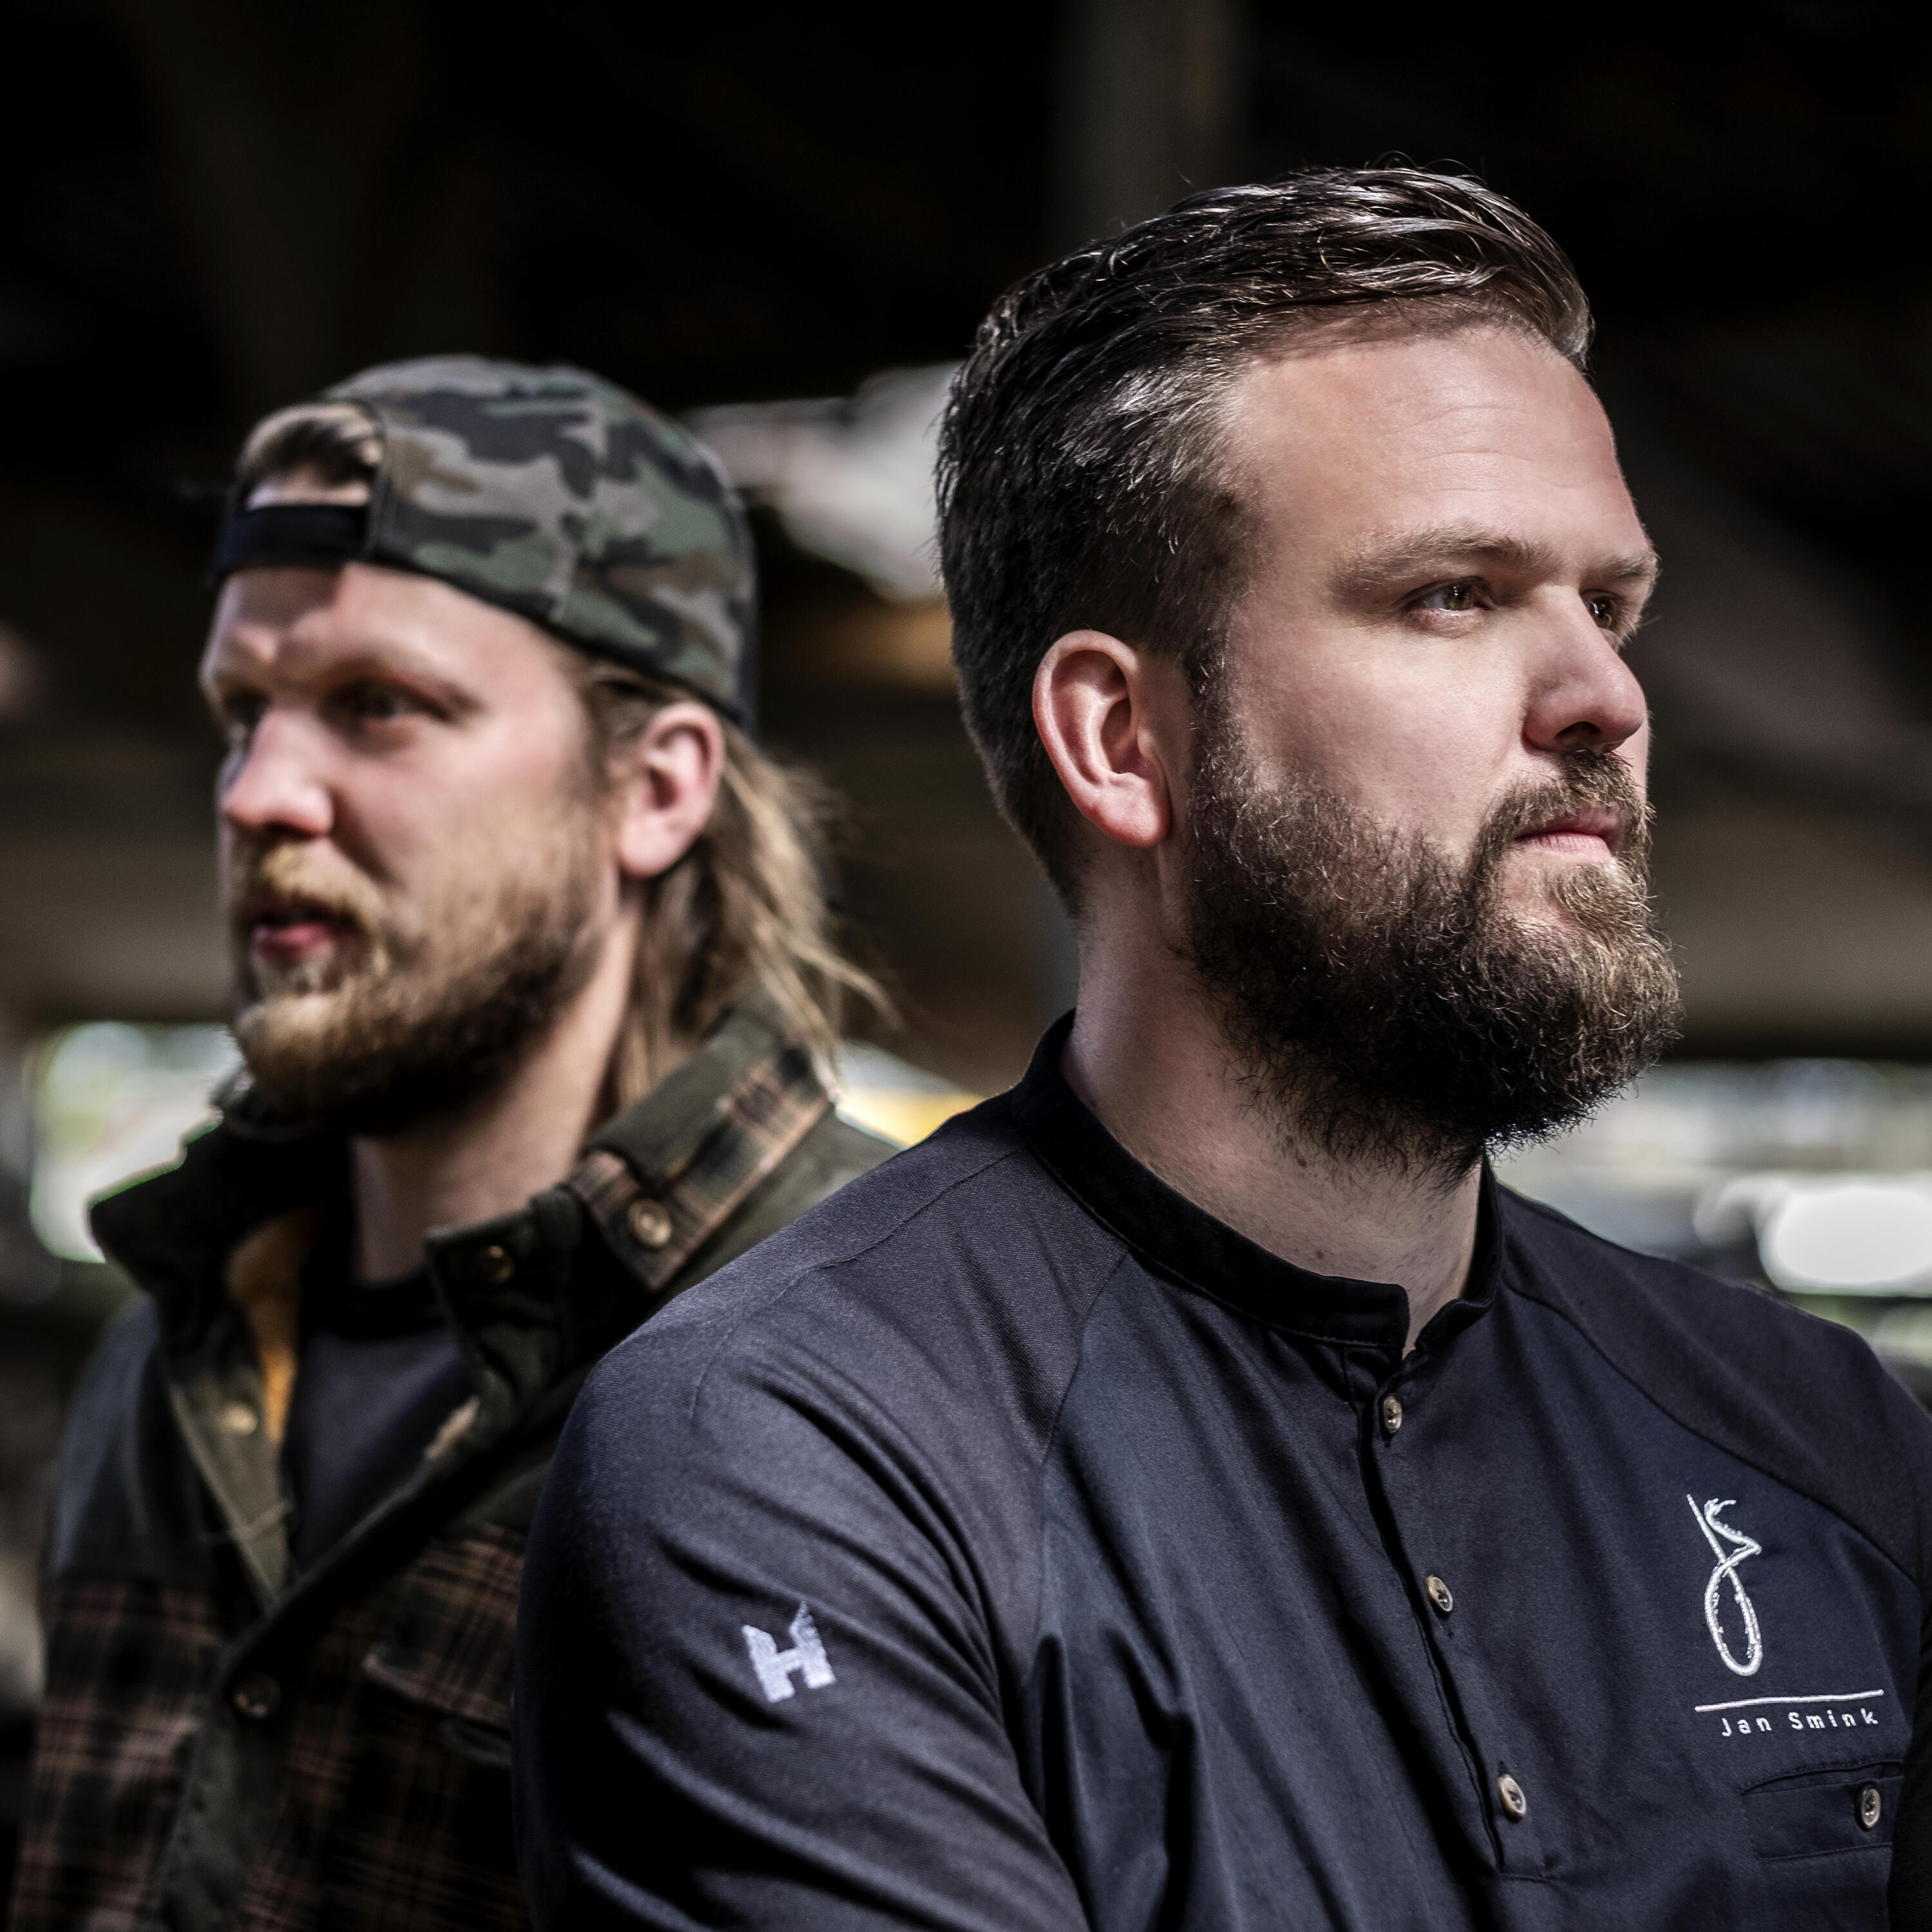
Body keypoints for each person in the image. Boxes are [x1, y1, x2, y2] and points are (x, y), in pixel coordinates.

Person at [513, 173, 1932, 1929]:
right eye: (1451, 594)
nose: (1604, 698)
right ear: (1123, 738)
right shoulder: (794, 1455)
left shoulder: (1822, 1441)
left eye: (1609, 605)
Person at [10, 357, 893, 1932]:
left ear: (655, 787)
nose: (261, 792)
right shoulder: (172, 1349)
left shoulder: (877, 1359)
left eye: (379, 707)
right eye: (242, 714)